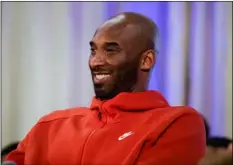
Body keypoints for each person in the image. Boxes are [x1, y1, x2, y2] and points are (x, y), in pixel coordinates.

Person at [5, 12, 206, 165]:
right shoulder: (49, 126)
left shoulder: (177, 123)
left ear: (147, 60)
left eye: (111, 50)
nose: (95, 62)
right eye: (93, 50)